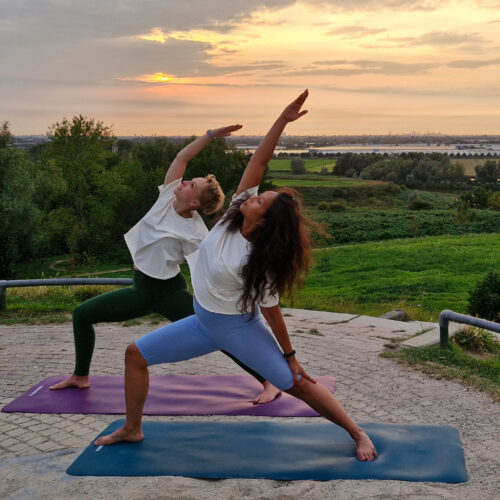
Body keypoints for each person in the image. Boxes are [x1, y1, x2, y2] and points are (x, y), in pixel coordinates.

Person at [94, 90, 378, 461]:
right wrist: (281, 121)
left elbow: (272, 312)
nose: (251, 198)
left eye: (260, 201)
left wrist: (290, 356)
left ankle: (357, 433)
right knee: (135, 355)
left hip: (237, 328)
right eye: (257, 195)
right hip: (202, 322)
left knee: (297, 384)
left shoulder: (257, 260)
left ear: (263, 221)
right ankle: (132, 428)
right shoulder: (231, 218)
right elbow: (258, 163)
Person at [50, 124, 281, 404]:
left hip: (167, 292)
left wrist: (224, 298)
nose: (183, 182)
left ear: (195, 201)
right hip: (141, 288)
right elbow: (182, 158)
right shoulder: (166, 197)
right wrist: (209, 137)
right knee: (82, 315)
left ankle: (269, 381)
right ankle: (80, 376)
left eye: (191, 184)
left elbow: (209, 267)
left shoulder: (196, 233)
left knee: (221, 335)